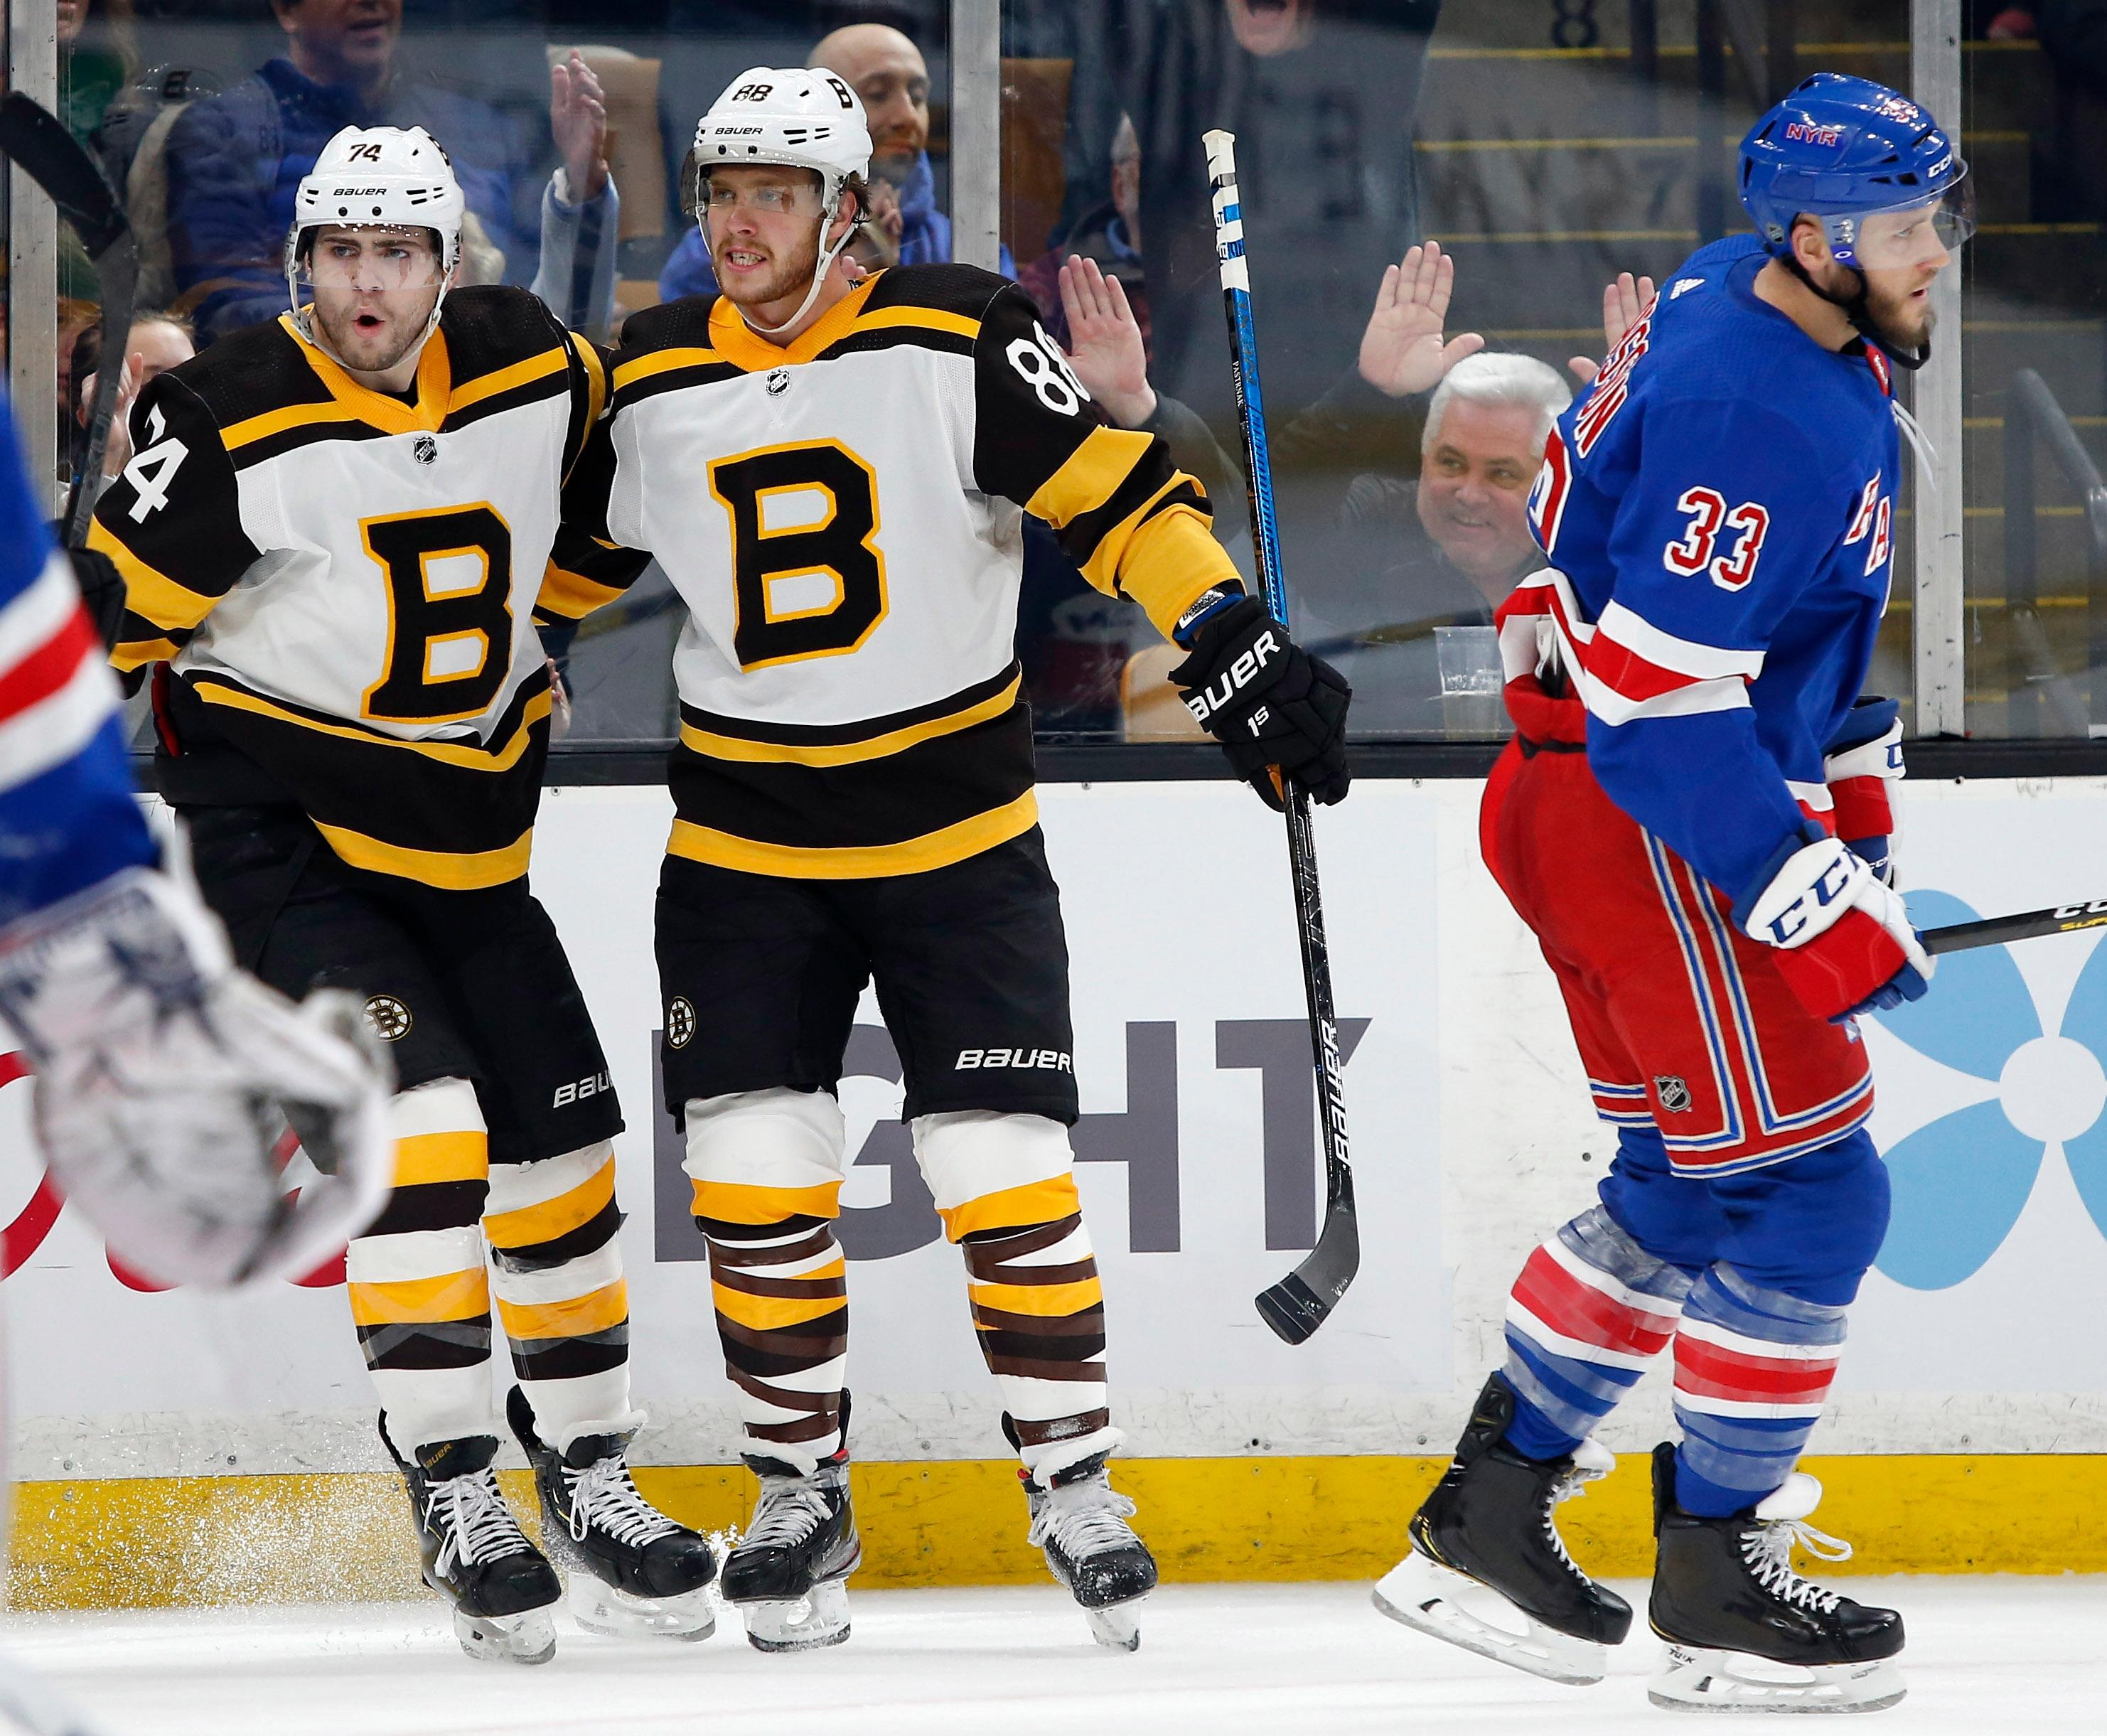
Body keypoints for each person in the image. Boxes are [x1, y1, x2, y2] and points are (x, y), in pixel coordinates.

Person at [554, 67, 1350, 1654]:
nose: (739, 221)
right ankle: (798, 1490)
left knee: (1002, 1163)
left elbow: (1113, 498)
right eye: (721, 190)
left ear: (851, 212)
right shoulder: (642, 375)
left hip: (955, 841)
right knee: (755, 1167)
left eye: (775, 193)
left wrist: (1217, 623)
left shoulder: (961, 331)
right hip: (743, 848)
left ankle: (1071, 1482)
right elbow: (551, 582)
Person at [1372, 74, 1968, 1713]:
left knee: (1690, 1182)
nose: (1937, 255)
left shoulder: (1741, 294)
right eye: (1907, 228)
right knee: (1813, 1192)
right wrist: (1798, 887)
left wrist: (1855, 833)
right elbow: (1653, 690)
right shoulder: (1765, 413)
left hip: (1577, 796)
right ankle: (1710, 1572)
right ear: (1815, 238)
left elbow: (1780, 646)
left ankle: (1485, 1506)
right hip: (1643, 807)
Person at [86, 124, 716, 1666]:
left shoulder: (531, 363)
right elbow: (103, 627)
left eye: (399, 253)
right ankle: (451, 1482)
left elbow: (599, 509)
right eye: (342, 254)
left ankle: (585, 1465)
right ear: (304, 261)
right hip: (287, 844)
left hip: (469, 849)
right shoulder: (220, 414)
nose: (368, 285)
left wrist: (538, 625)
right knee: (424, 1132)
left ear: (450, 263)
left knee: (565, 1152)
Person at [164, 1, 618, 345]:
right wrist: (393, 340)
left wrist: (584, 183)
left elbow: (548, 316)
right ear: (287, 8)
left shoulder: (479, 127)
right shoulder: (222, 131)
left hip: (490, 395)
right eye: (342, 250)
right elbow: (221, 304)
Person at [657, 22, 1012, 303]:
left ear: (846, 211)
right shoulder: (724, 243)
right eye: (877, 94)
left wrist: (883, 282)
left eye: (918, 97)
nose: (908, 116)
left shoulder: (966, 246)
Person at [68, 310, 196, 487]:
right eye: (153, 385)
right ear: (86, 418)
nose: (183, 394)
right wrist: (106, 453)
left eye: (194, 377)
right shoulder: (54, 503)